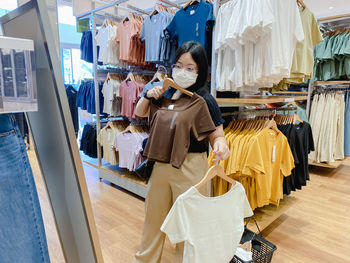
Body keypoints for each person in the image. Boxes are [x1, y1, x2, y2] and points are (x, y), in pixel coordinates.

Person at [133, 41, 230, 263]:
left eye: (190, 68)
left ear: (200, 70)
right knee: (153, 223)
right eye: (178, 65)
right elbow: (140, 112)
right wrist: (148, 95)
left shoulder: (204, 99)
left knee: (190, 228)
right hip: (160, 166)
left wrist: (220, 145)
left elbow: (217, 134)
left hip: (191, 168)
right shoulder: (165, 92)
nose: (182, 72)